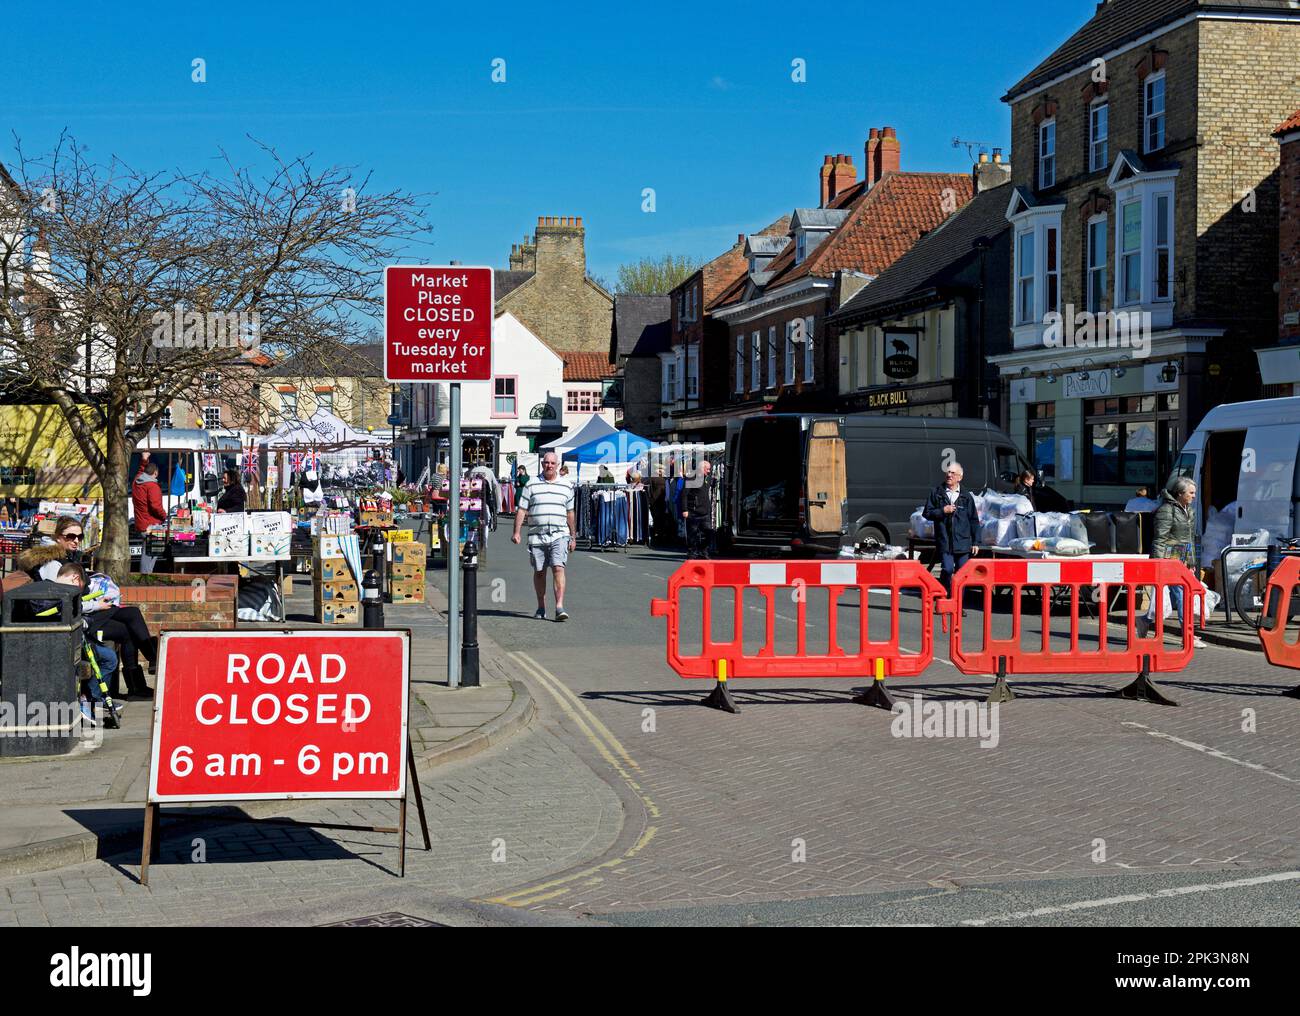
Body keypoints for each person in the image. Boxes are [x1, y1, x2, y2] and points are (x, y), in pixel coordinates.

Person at [1138, 477, 1206, 649]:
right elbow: (1160, 539)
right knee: (1183, 595)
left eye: (1194, 493)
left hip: (1182, 560)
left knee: (1180, 596)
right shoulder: (1166, 511)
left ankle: (1144, 621)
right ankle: (1188, 636)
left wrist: (1191, 561)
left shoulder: (1187, 510)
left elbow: (1189, 538)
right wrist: (1158, 563)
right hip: (1168, 560)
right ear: (1180, 493)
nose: (1194, 496)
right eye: (1191, 493)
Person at [512, 451, 577, 621]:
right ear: (542, 464)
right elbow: (522, 510)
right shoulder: (531, 484)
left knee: (558, 568)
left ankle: (559, 607)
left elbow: (570, 513)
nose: (549, 465)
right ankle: (541, 606)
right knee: (540, 572)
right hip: (537, 535)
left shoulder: (567, 486)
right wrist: (517, 532)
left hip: (559, 534)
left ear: (558, 465)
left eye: (552, 463)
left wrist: (573, 536)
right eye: (546, 463)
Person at [923, 464, 980, 594]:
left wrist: (976, 541)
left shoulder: (966, 496)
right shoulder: (937, 492)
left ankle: (959, 604)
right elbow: (927, 513)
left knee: (962, 575)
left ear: (960, 477)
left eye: (953, 473)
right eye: (948, 472)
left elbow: (974, 520)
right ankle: (945, 596)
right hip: (945, 541)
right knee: (948, 569)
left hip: (963, 542)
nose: (949, 475)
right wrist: (942, 511)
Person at [682, 459, 715, 559]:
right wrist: (685, 509)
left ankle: (703, 550)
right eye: (707, 469)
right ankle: (692, 552)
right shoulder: (691, 478)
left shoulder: (708, 478)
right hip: (693, 511)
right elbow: (684, 495)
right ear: (701, 468)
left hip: (705, 512)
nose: (709, 471)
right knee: (693, 534)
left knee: (709, 533)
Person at [132, 461, 167, 533]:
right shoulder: (152, 486)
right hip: (151, 525)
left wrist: (144, 460)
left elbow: (139, 473)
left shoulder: (136, 482)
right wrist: (164, 516)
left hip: (140, 524)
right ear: (155, 473)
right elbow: (156, 506)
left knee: (144, 543)